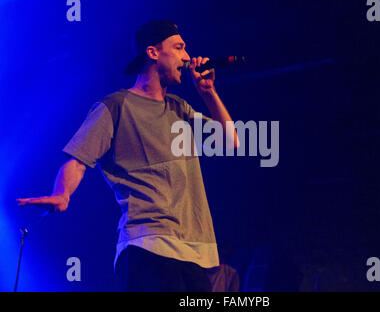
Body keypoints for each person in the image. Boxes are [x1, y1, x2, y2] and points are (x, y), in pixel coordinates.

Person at [16, 19, 239, 292]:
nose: (187, 57)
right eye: (179, 47)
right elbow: (77, 160)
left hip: (193, 252)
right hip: (149, 246)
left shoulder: (179, 107)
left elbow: (231, 142)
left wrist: (209, 93)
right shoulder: (115, 106)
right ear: (153, 52)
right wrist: (63, 193)